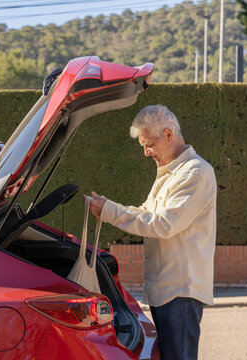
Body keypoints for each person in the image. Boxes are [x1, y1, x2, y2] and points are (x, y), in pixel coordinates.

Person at [87, 104, 217, 360]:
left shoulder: (195, 173)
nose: (146, 153)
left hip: (181, 292)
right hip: (167, 291)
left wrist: (110, 211)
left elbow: (162, 224)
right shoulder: (169, 173)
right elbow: (147, 212)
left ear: (169, 134)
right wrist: (109, 207)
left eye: (150, 144)